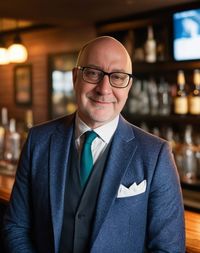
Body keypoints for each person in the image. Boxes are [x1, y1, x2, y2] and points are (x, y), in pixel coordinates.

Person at [2, 36, 185, 252]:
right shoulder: (38, 141)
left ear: (129, 87)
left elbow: (168, 248)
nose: (104, 89)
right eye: (93, 73)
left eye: (117, 77)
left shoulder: (156, 154)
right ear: (74, 77)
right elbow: (16, 227)